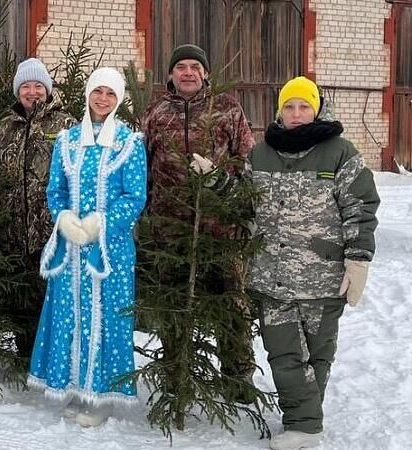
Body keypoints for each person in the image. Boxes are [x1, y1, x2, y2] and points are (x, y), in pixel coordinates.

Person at [247, 76, 379, 450]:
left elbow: (361, 208)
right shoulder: (260, 153)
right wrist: (213, 182)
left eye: (304, 105)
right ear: (280, 112)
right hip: (271, 275)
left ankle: (304, 421)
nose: (297, 113)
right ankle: (304, 427)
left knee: (318, 355)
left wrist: (358, 260)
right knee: (284, 352)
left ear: (317, 108)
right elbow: (245, 204)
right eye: (289, 106)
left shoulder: (340, 152)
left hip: (324, 277)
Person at [29, 67, 148, 427]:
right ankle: (78, 388)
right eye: (98, 92)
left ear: (119, 99)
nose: (102, 100)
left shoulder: (130, 142)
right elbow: (55, 190)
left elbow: (135, 196)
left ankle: (101, 397)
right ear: (87, 95)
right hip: (71, 249)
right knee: (71, 316)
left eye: (110, 94)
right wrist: (64, 218)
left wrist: (100, 224)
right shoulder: (66, 140)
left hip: (108, 250)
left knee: (105, 317)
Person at [139, 43, 257, 400]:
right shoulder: (155, 113)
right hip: (169, 231)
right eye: (181, 67)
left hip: (221, 230)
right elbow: (140, 165)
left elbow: (248, 161)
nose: (188, 72)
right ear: (171, 74)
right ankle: (177, 377)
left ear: (205, 73)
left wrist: (220, 176)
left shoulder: (227, 108)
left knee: (231, 306)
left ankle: (238, 379)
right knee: (175, 306)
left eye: (195, 66)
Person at [0, 58, 77, 358]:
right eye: (26, 86)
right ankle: (26, 356)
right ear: (18, 91)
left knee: (52, 297)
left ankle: (54, 358)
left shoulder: (67, 124)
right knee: (21, 298)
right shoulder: (6, 126)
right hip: (14, 229)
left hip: (51, 230)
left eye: (38, 86)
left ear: (47, 89)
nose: (32, 92)